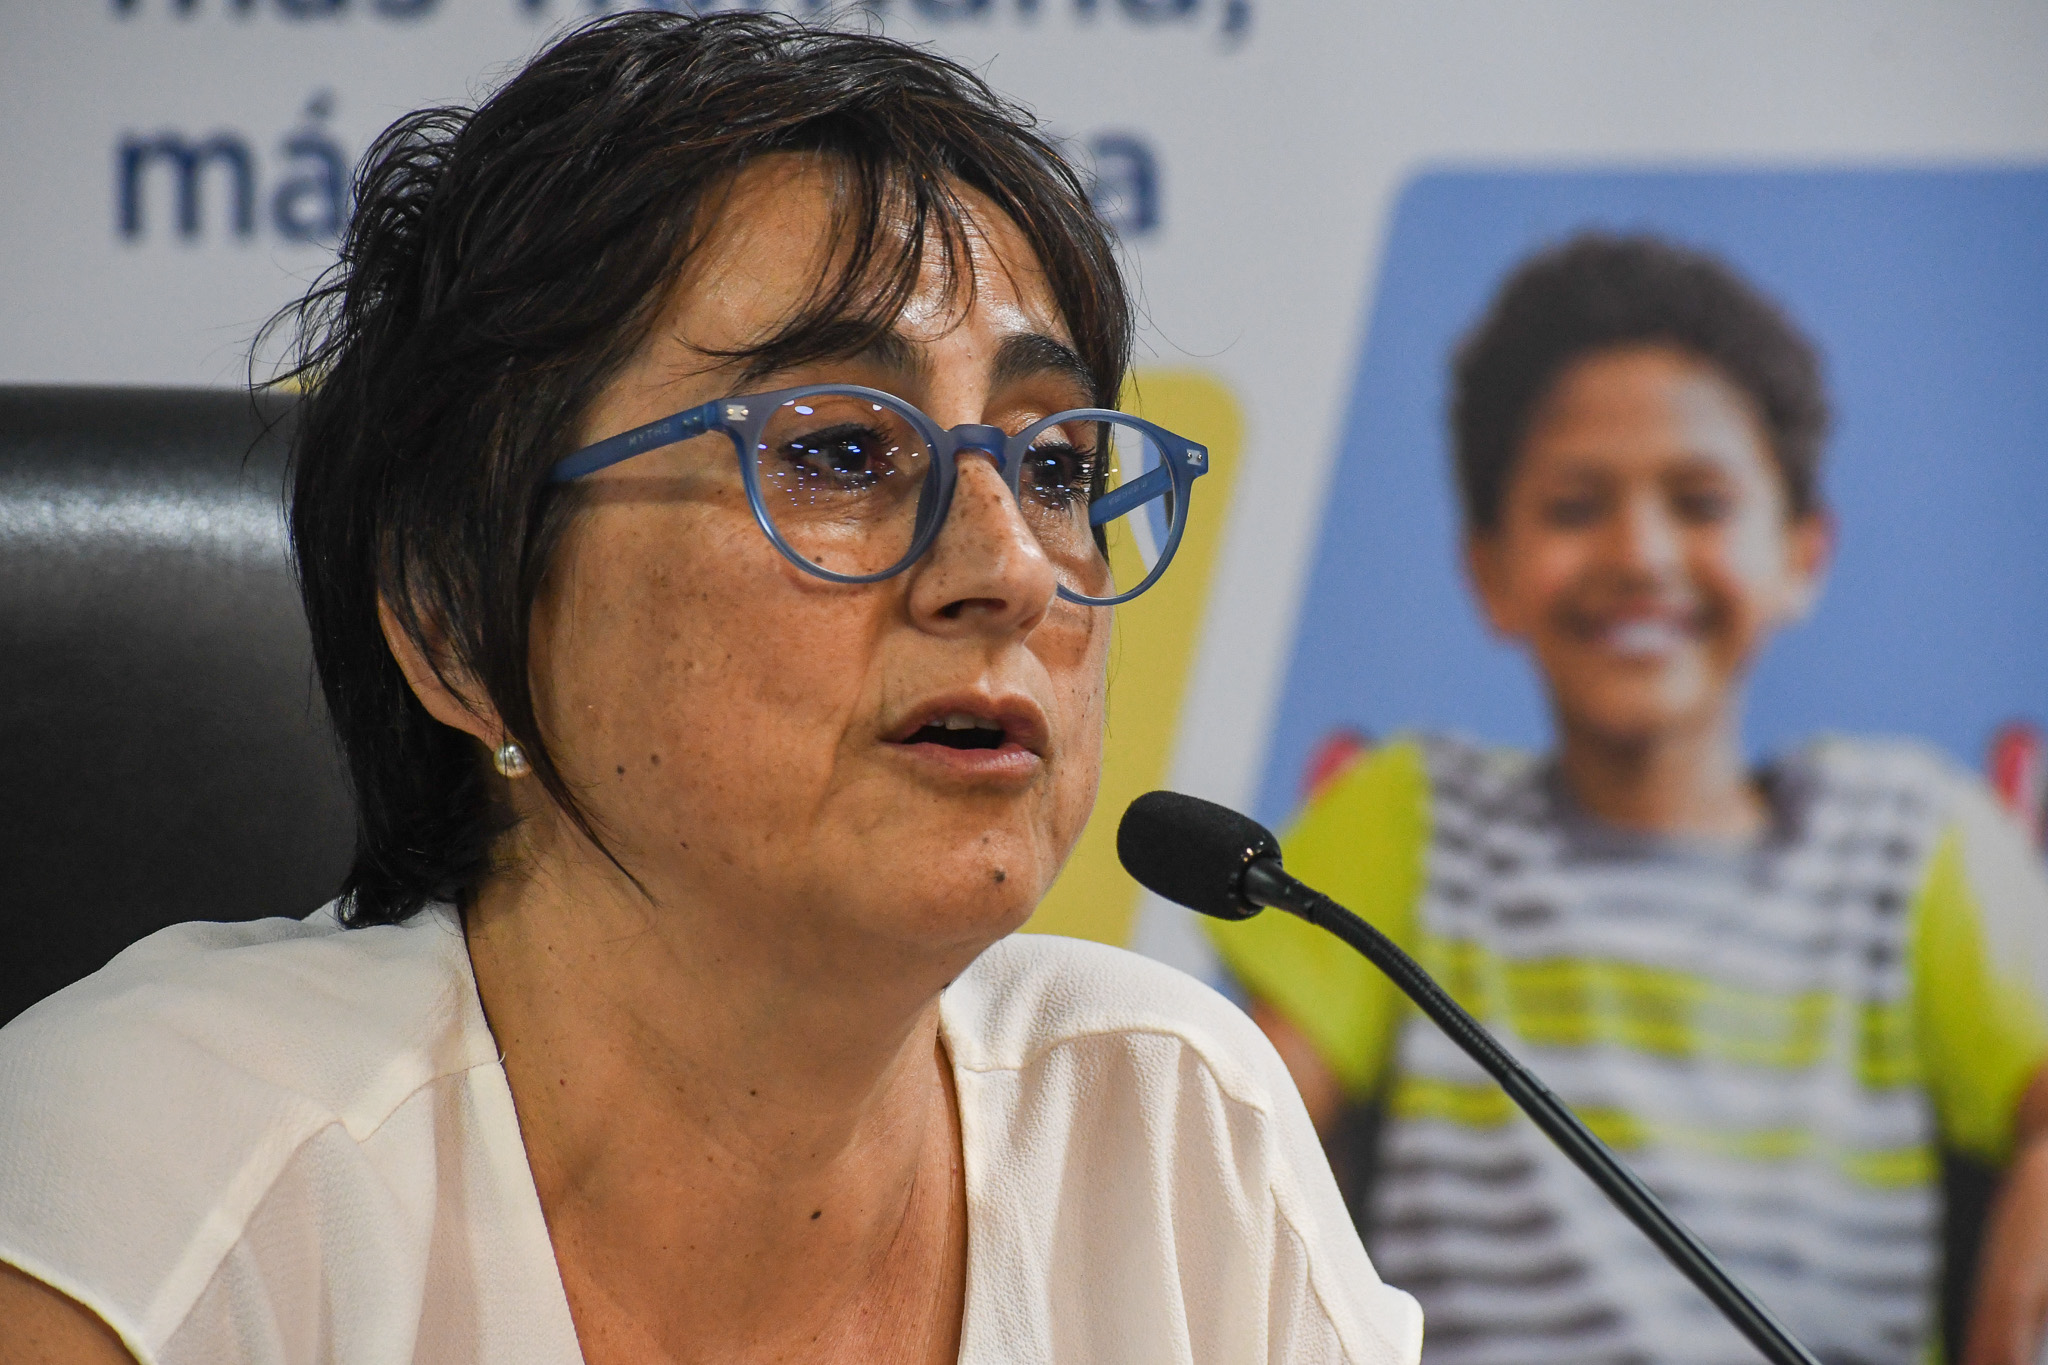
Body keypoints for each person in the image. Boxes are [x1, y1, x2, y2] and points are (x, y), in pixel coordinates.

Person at [0, 15, 1420, 1364]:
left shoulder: (1171, 1134)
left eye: (1053, 467)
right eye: (840, 453)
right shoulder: (161, 1198)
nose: (1009, 569)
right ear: (454, 622)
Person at [1207, 233, 2048, 1365]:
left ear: (1803, 552)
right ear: (1488, 568)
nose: (1639, 553)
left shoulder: (1908, 839)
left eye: (1699, 501)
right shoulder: (1412, 815)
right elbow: (1234, 1138)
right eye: (1573, 506)